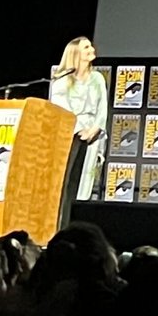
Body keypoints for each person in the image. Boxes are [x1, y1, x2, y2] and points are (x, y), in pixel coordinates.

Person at [48, 35, 109, 200]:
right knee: (68, 178)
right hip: (70, 134)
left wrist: (94, 129)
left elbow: (102, 108)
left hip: (93, 134)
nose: (92, 50)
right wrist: (79, 130)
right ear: (75, 53)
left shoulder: (97, 78)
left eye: (91, 46)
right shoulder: (62, 80)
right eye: (86, 47)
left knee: (87, 178)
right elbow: (61, 109)